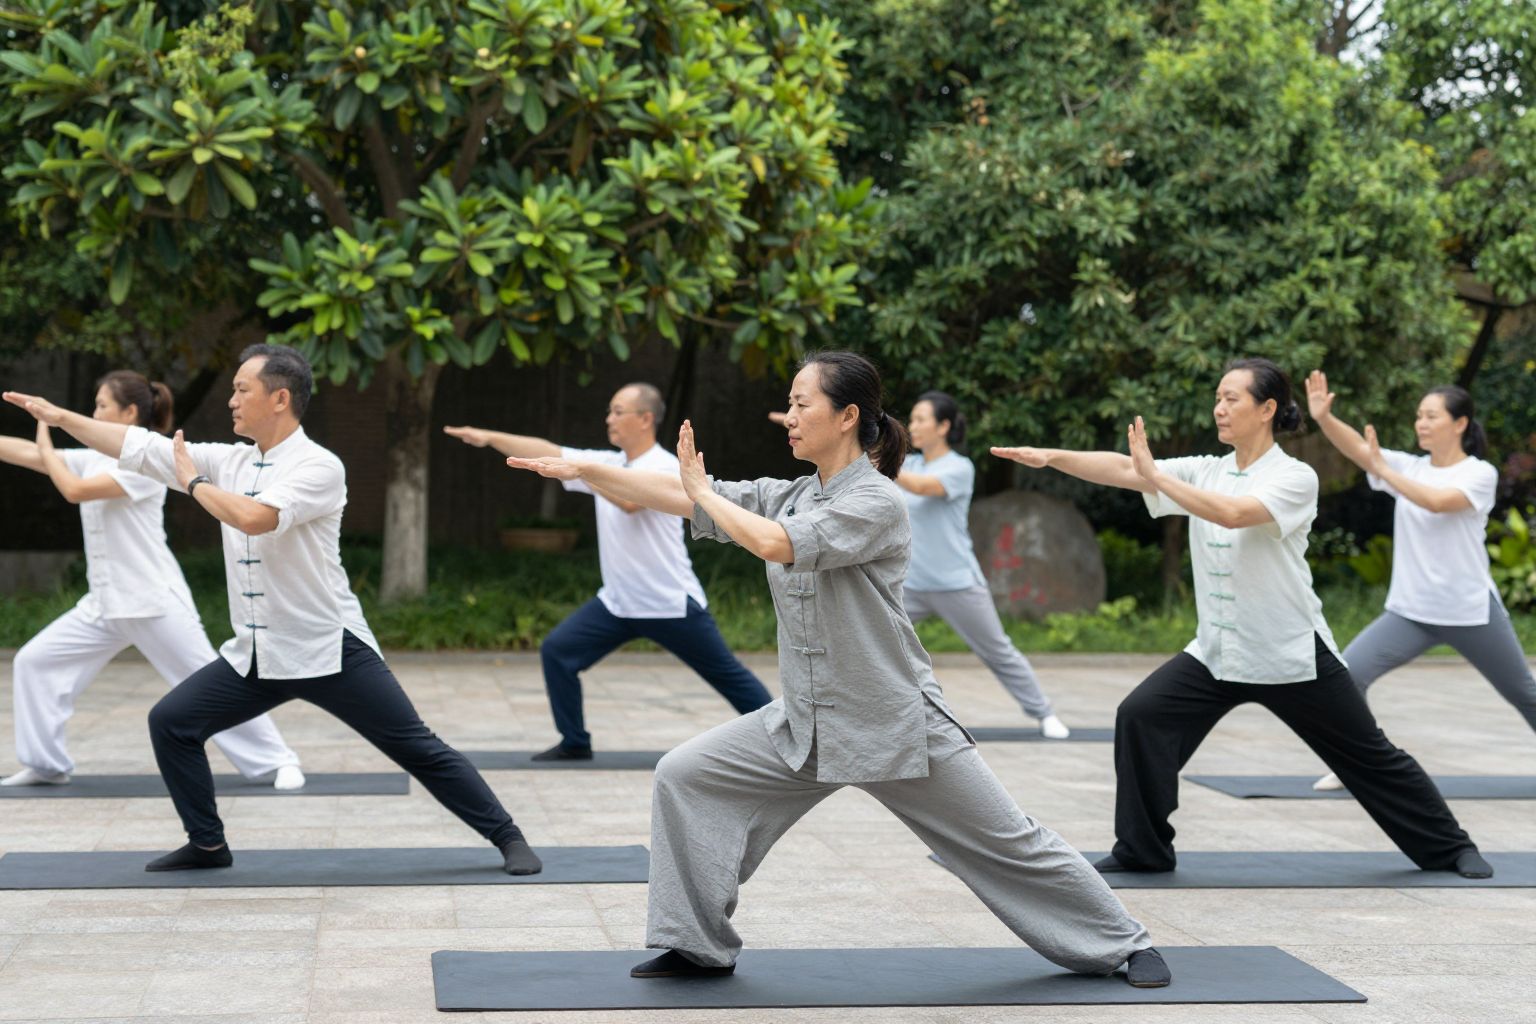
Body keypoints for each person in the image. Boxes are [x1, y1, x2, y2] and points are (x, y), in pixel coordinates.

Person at [507, 352, 1170, 988]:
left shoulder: (877, 502)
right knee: (686, 775)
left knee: (1007, 841)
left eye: (801, 404)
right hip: (806, 720)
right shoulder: (794, 491)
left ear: (847, 415)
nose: (789, 416)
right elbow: (681, 498)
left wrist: (702, 490)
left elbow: (772, 542)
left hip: (895, 721)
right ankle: (695, 945)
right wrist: (583, 471)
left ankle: (1125, 941)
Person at [4, 346, 540, 876]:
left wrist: (193, 482)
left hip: (330, 648)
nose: (232, 401)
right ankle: (207, 845)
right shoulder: (232, 458)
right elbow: (135, 445)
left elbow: (255, 518)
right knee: (172, 722)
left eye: (242, 390)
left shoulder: (319, 466)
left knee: (418, 747)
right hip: (258, 651)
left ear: (279, 398)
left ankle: (508, 837)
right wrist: (58, 416)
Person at [993, 357, 1492, 880]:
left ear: (1268, 408)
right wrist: (1051, 456)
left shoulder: (1296, 477)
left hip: (1290, 653)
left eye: (1232, 398)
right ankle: (1143, 849)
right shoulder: (1209, 469)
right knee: (1141, 716)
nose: (1219, 408)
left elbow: (1232, 513)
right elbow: (1124, 469)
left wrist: (1156, 475)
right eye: (1218, 397)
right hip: (1216, 652)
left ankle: (1451, 847)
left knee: (1370, 756)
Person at [0, 371, 304, 790]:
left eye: (102, 405)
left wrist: (48, 433)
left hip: (154, 601)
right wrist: (40, 442)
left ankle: (278, 760)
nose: (95, 412)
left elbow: (73, 489)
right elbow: (28, 454)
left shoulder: (146, 465)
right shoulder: (95, 456)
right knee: (35, 663)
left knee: (206, 678)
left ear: (129, 413)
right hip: (104, 605)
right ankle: (45, 763)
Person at [444, 383, 771, 762]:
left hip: (668, 603)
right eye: (610, 411)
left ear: (645, 418)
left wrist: (584, 472)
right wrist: (489, 437)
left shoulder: (664, 466)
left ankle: (782, 736)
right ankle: (575, 741)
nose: (609, 419)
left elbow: (632, 502)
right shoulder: (609, 464)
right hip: (617, 603)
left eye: (618, 411)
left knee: (729, 677)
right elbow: (548, 451)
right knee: (558, 652)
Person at [1306, 373, 1535, 791]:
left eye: (1431, 416)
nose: (1421, 423)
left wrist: (1381, 469)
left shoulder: (1477, 474)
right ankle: (1357, 762)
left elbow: (1434, 502)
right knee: (1348, 675)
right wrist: (1325, 418)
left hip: (1469, 610)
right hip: (1411, 611)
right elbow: (1361, 451)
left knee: (1525, 693)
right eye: (1419, 416)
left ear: (1460, 423)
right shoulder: (1410, 466)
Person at [899, 391, 1070, 738]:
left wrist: (883, 462)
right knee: (872, 641)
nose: (912, 426)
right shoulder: (910, 463)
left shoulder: (959, 468)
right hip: (909, 583)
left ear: (943, 426)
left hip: (957, 582)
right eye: (911, 419)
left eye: (920, 419)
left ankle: (1045, 713)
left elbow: (921, 488)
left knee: (997, 651)